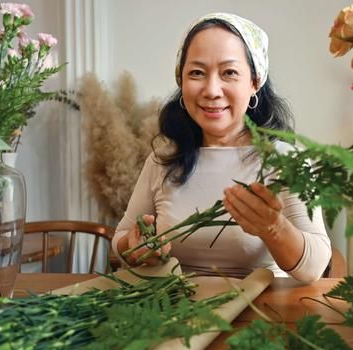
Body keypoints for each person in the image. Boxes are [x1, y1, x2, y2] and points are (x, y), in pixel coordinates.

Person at [112, 12, 331, 282]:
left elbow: (315, 267)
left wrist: (273, 227)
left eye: (229, 73)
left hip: (261, 313)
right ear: (181, 81)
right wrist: (134, 247)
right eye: (197, 73)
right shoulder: (163, 160)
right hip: (176, 312)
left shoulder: (285, 160)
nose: (212, 90)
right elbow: (121, 238)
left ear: (254, 82)